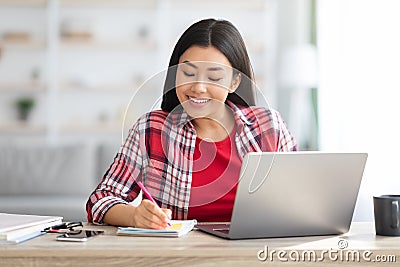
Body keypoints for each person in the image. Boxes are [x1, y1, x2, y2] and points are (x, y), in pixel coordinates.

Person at [86, 18, 297, 229]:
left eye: (213, 77)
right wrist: (133, 216)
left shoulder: (269, 127)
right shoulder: (151, 129)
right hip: (176, 256)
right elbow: (100, 200)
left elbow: (300, 200)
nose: (198, 87)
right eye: (188, 73)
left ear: (234, 82)